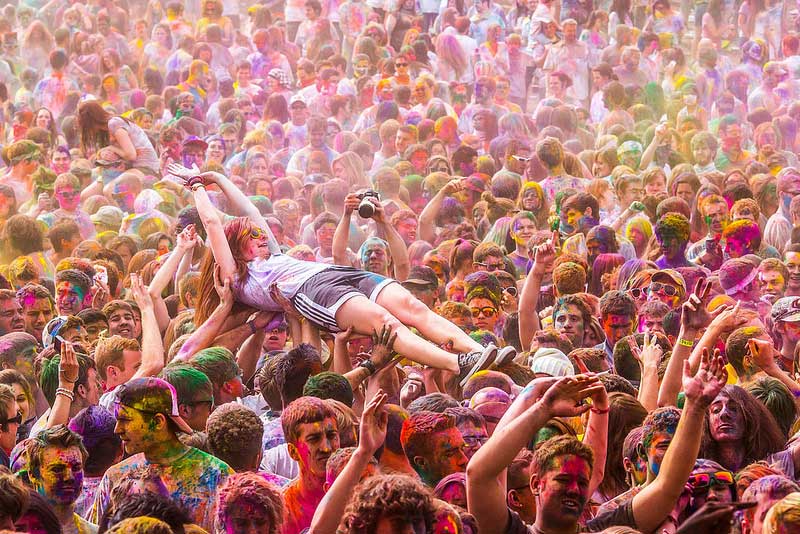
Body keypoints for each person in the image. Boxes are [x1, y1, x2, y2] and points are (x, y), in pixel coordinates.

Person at [89, 377, 232, 530]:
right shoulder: (116, 477)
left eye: (125, 419)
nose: (118, 429)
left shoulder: (215, 475)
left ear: (158, 422)